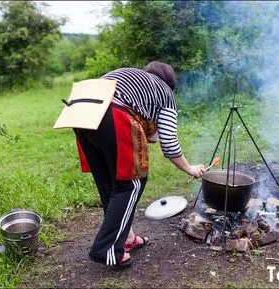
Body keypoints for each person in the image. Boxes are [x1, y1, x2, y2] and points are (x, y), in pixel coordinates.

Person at [74, 61, 205, 269]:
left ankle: (126, 238)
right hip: (111, 112)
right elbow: (169, 143)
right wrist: (191, 169)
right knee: (131, 183)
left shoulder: (133, 80)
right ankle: (105, 248)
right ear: (170, 83)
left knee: (110, 183)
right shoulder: (165, 93)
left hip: (80, 112)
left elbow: (151, 132)